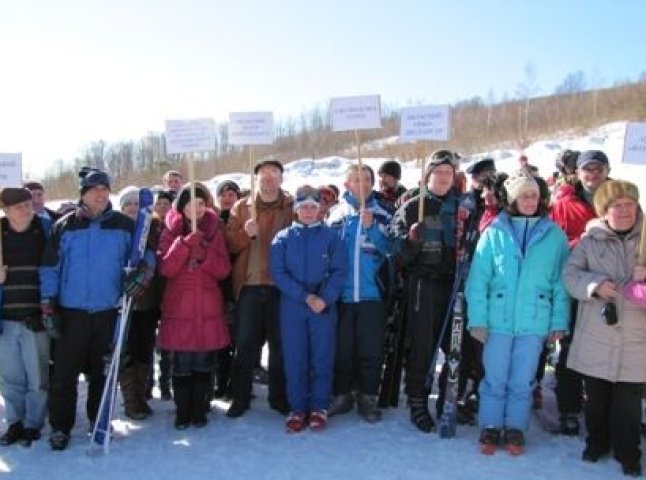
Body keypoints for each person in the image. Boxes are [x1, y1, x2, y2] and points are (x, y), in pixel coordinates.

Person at [41, 167, 155, 450]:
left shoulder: (122, 225)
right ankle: (60, 426)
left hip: (109, 311)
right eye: (95, 191)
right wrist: (47, 303)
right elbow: (50, 268)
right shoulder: (65, 226)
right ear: (84, 195)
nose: (101, 195)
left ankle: (99, 420)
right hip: (72, 313)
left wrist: (143, 273)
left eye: (105, 191)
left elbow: (146, 252)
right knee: (64, 374)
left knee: (103, 372)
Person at [466, 169, 569, 455]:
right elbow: (478, 281)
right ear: (512, 199)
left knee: (523, 380)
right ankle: (489, 425)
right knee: (495, 377)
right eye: (524, 195)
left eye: (534, 195)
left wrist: (558, 321)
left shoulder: (554, 236)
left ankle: (515, 427)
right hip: (497, 321)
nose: (529, 200)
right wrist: (478, 319)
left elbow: (561, 285)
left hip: (534, 321)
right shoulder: (494, 232)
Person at [563, 180, 645, 477]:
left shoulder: (645, 240)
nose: (624, 211)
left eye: (629, 205)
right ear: (604, 211)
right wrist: (594, 285)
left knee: (628, 402)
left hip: (637, 337)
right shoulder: (590, 241)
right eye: (617, 206)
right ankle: (596, 442)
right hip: (598, 332)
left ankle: (628, 452)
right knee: (596, 397)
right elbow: (570, 275)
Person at [390, 150, 462, 432]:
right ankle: (417, 399)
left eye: (448, 173)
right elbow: (395, 252)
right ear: (428, 175)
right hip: (423, 284)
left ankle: (449, 398)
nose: (444, 177)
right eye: (438, 172)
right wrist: (410, 241)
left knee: (456, 347)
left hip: (456, 284)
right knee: (423, 344)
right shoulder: (412, 207)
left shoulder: (463, 207)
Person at [270, 185, 346, 432]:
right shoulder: (282, 239)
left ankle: (319, 407)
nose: (309, 211)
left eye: (314, 207)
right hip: (294, 305)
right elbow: (279, 274)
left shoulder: (331, 237)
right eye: (304, 207)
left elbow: (339, 271)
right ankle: (297, 407)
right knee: (295, 357)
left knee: (322, 356)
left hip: (323, 305)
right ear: (296, 210)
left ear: (321, 210)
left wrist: (325, 298)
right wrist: (305, 297)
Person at [157, 183, 231, 429]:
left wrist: (205, 255)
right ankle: (182, 411)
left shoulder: (215, 231)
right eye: (191, 204)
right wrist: (185, 245)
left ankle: (199, 410)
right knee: (182, 363)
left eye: (201, 203)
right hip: (181, 306)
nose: (197, 209)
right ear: (182, 207)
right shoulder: (169, 232)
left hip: (207, 305)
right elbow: (166, 268)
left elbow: (223, 270)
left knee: (203, 362)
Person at [225, 159, 293, 418]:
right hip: (250, 286)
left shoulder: (291, 207)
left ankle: (279, 397)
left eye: (274, 173)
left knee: (279, 346)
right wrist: (244, 233)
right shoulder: (242, 208)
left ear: (281, 178)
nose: (269, 177)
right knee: (245, 345)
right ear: (256, 179)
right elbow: (229, 244)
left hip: (280, 286)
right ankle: (240, 398)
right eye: (264, 174)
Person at [326, 164, 394, 423]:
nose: (362, 183)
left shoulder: (384, 213)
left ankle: (367, 396)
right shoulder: (335, 214)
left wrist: (374, 228)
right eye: (356, 179)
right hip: (342, 295)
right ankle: (342, 394)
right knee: (342, 349)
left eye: (367, 179)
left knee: (370, 349)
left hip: (372, 295)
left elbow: (392, 249)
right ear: (347, 184)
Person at [549, 149, 610, 435]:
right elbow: (554, 243)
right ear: (578, 172)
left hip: (609, 286)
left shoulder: (619, 200)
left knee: (607, 347)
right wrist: (581, 242)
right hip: (574, 284)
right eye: (588, 169)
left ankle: (606, 407)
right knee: (571, 347)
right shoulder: (564, 203)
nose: (593, 174)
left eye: (599, 169)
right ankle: (569, 408)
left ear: (607, 171)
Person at [0, 188, 50, 447]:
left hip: (35, 318)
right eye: (18, 206)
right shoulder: (0, 235)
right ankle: (15, 422)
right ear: (6, 210)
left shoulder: (43, 232)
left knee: (38, 377)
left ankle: (33, 423)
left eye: (28, 204)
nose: (26, 209)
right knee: (10, 378)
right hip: (5, 320)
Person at [117, 186, 163, 420]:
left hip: (149, 299)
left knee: (144, 347)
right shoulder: (117, 228)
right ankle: (130, 400)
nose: (133, 209)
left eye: (136, 204)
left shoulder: (154, 228)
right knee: (127, 350)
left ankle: (142, 394)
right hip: (124, 301)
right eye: (128, 205)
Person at [212, 179, 241, 399]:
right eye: (224, 194)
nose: (228, 198)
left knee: (239, 339)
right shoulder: (213, 221)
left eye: (232, 194)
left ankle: (236, 382)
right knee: (220, 339)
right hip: (218, 288)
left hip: (239, 286)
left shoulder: (243, 220)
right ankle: (219, 381)